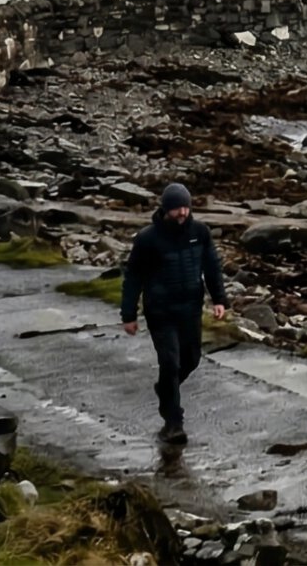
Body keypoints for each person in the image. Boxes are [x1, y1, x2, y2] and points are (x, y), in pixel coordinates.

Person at [119, 182, 228, 445]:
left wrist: (219, 299)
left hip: (190, 308)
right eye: (177, 208)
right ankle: (173, 423)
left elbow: (211, 266)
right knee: (170, 363)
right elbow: (133, 277)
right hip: (161, 311)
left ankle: (166, 389)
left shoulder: (200, 232)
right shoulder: (148, 239)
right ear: (166, 209)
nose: (182, 212)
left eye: (186, 207)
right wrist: (129, 314)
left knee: (191, 359)